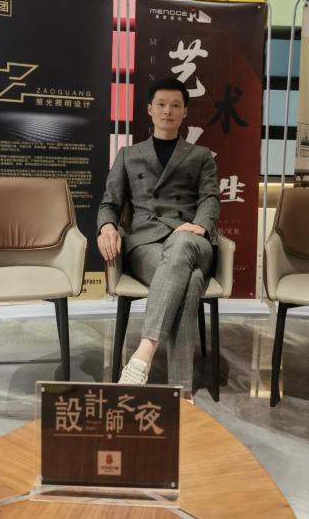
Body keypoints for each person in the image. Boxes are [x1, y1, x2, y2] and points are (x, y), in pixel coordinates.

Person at [97, 78, 220, 402]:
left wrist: (201, 225)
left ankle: (143, 354)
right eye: (162, 104)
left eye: (175, 105)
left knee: (181, 243)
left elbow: (210, 197)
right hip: (146, 243)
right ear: (150, 109)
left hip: (192, 238)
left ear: (185, 112)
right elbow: (110, 202)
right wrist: (107, 227)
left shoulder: (200, 155)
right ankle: (182, 390)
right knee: (191, 281)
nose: (168, 110)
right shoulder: (128, 155)